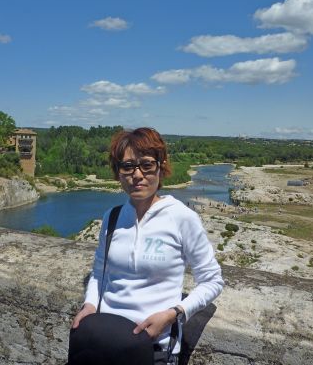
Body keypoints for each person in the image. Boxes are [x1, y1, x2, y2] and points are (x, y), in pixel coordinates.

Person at [71, 127, 224, 363]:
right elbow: (99, 273)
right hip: (104, 342)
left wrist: (174, 314)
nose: (137, 174)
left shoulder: (182, 218)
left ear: (161, 167)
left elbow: (213, 281)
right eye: (128, 166)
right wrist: (90, 305)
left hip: (155, 349)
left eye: (147, 165)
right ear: (118, 172)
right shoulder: (112, 217)